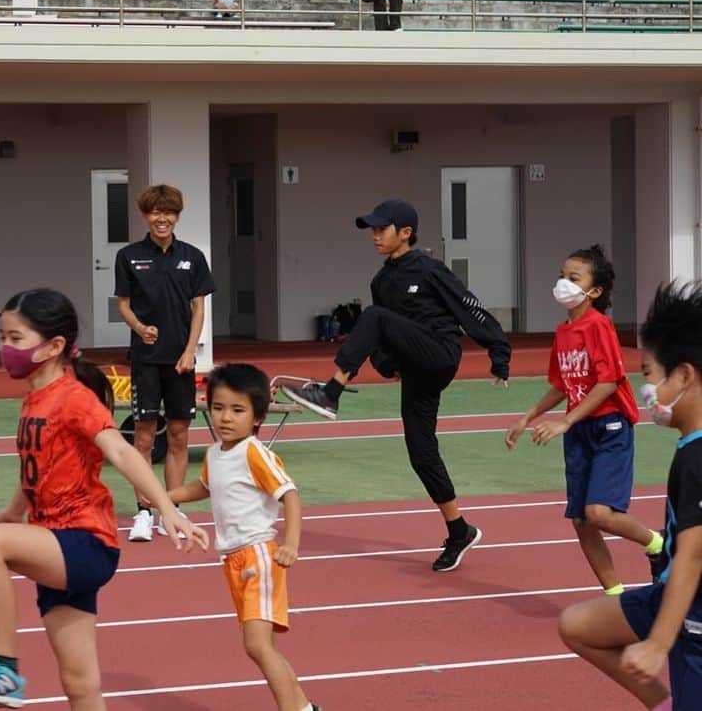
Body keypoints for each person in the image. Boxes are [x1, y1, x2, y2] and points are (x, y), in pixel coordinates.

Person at [0, 288, 209, 709]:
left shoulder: (74, 399)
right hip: (57, 544)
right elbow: (39, 466)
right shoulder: (34, 401)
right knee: (81, 684)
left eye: (16, 339)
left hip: (84, 543)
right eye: (2, 338)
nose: (4, 348)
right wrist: (14, 511)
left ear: (54, 346)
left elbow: (122, 450)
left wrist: (166, 507)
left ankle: (3, 668)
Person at [282, 198, 510, 572]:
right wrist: (389, 365)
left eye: (380, 229)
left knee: (372, 318)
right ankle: (459, 530)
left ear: (405, 233)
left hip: (440, 353)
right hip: (416, 367)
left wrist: (498, 353)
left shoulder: (431, 270)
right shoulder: (381, 281)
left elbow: (470, 308)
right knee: (421, 452)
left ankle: (330, 392)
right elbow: (386, 335)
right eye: (371, 229)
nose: (374, 236)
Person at [559, 281, 702, 711]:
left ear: (684, 376)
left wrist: (658, 642)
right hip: (668, 592)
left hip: (693, 614)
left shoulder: (697, 459)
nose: (647, 390)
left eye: (649, 376)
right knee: (577, 625)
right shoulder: (688, 448)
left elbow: (694, 554)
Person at [506, 245, 663, 595]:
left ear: (594, 291)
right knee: (582, 521)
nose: (563, 283)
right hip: (580, 433)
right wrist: (528, 416)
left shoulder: (599, 326)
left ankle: (657, 544)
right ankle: (615, 596)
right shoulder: (563, 332)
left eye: (573, 278)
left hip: (609, 429)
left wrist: (564, 422)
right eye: (561, 276)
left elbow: (607, 383)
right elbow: (563, 384)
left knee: (599, 513)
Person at [169, 363, 321, 711]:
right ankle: (304, 707)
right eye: (218, 407)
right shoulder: (214, 454)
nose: (225, 418)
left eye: (237, 410)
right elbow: (204, 487)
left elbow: (290, 494)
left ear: (256, 417)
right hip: (233, 561)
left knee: (257, 645)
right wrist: (167, 497)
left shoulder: (254, 452)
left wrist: (291, 543)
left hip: (259, 556)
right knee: (262, 647)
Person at [115, 184, 216, 543]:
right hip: (145, 360)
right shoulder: (129, 256)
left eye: (169, 212)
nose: (163, 219)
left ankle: (170, 509)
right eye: (156, 212)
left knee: (178, 435)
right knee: (143, 437)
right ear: (146, 215)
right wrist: (140, 328)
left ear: (177, 216)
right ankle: (143, 511)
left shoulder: (192, 257)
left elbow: (199, 306)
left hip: (180, 363)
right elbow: (123, 304)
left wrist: (191, 351)